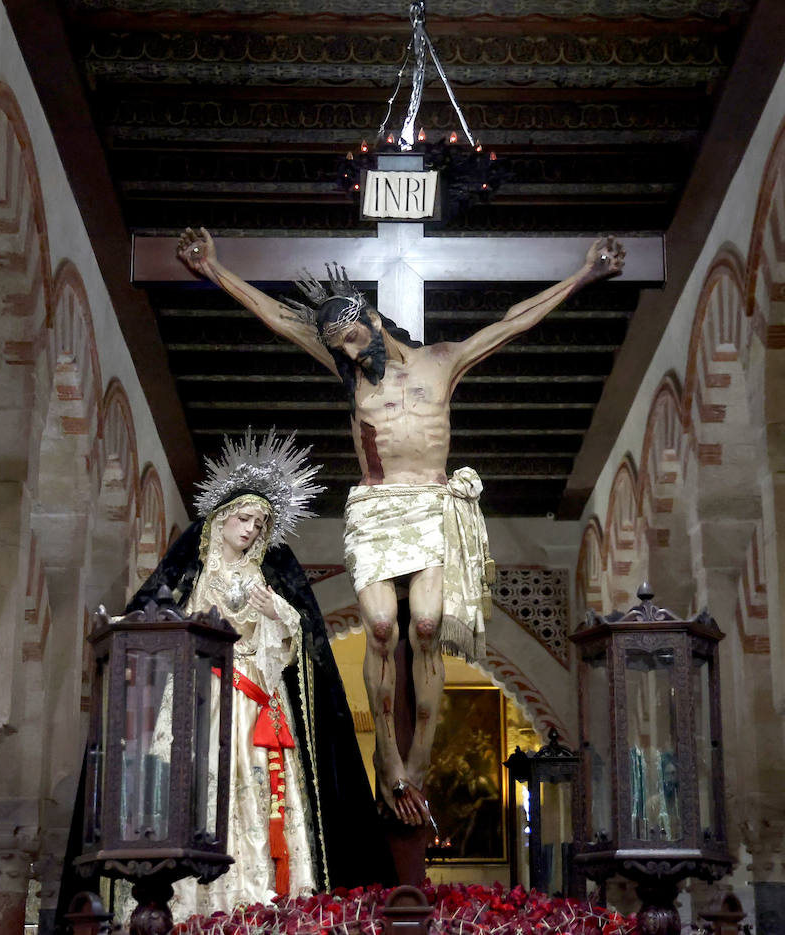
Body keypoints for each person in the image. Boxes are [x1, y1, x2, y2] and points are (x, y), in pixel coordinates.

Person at [176, 229, 625, 827]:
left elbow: (513, 325)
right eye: (340, 347)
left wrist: (584, 276)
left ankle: (417, 761)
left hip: (431, 506)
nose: (353, 352)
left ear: (372, 317)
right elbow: (280, 318)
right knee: (383, 626)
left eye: (355, 338)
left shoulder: (443, 361)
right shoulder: (352, 375)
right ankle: (386, 754)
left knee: (429, 625)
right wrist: (215, 270)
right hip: (376, 509)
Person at [127, 430, 392, 911]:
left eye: (259, 523)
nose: (250, 529)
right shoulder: (194, 572)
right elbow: (157, 620)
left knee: (254, 785)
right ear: (223, 517)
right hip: (198, 693)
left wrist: (278, 613)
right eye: (243, 518)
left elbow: (294, 640)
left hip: (253, 693)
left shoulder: (263, 579)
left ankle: (254, 895)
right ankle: (189, 902)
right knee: (198, 784)